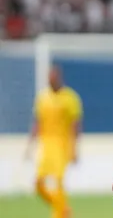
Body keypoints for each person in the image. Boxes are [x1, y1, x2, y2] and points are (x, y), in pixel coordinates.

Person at [25, 65, 83, 218]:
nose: (51, 81)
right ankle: (63, 209)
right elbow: (37, 123)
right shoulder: (42, 98)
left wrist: (75, 149)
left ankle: (58, 214)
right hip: (46, 147)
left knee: (58, 184)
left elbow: (75, 125)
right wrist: (30, 146)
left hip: (62, 146)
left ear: (59, 78)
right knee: (38, 185)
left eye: (53, 78)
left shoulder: (70, 98)